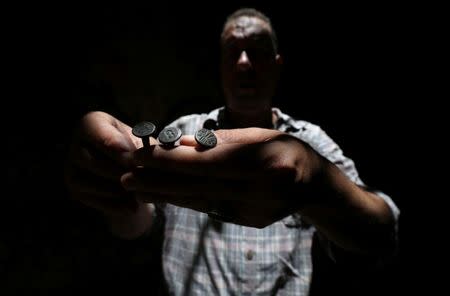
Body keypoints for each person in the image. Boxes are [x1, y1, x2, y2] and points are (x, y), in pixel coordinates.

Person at [65, 8, 400, 295]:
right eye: (233, 52)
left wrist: (318, 184)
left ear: (277, 64)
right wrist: (116, 186)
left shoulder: (310, 141)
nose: (244, 62)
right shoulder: (182, 131)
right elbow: (136, 227)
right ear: (221, 65)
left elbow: (383, 232)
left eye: (257, 50)